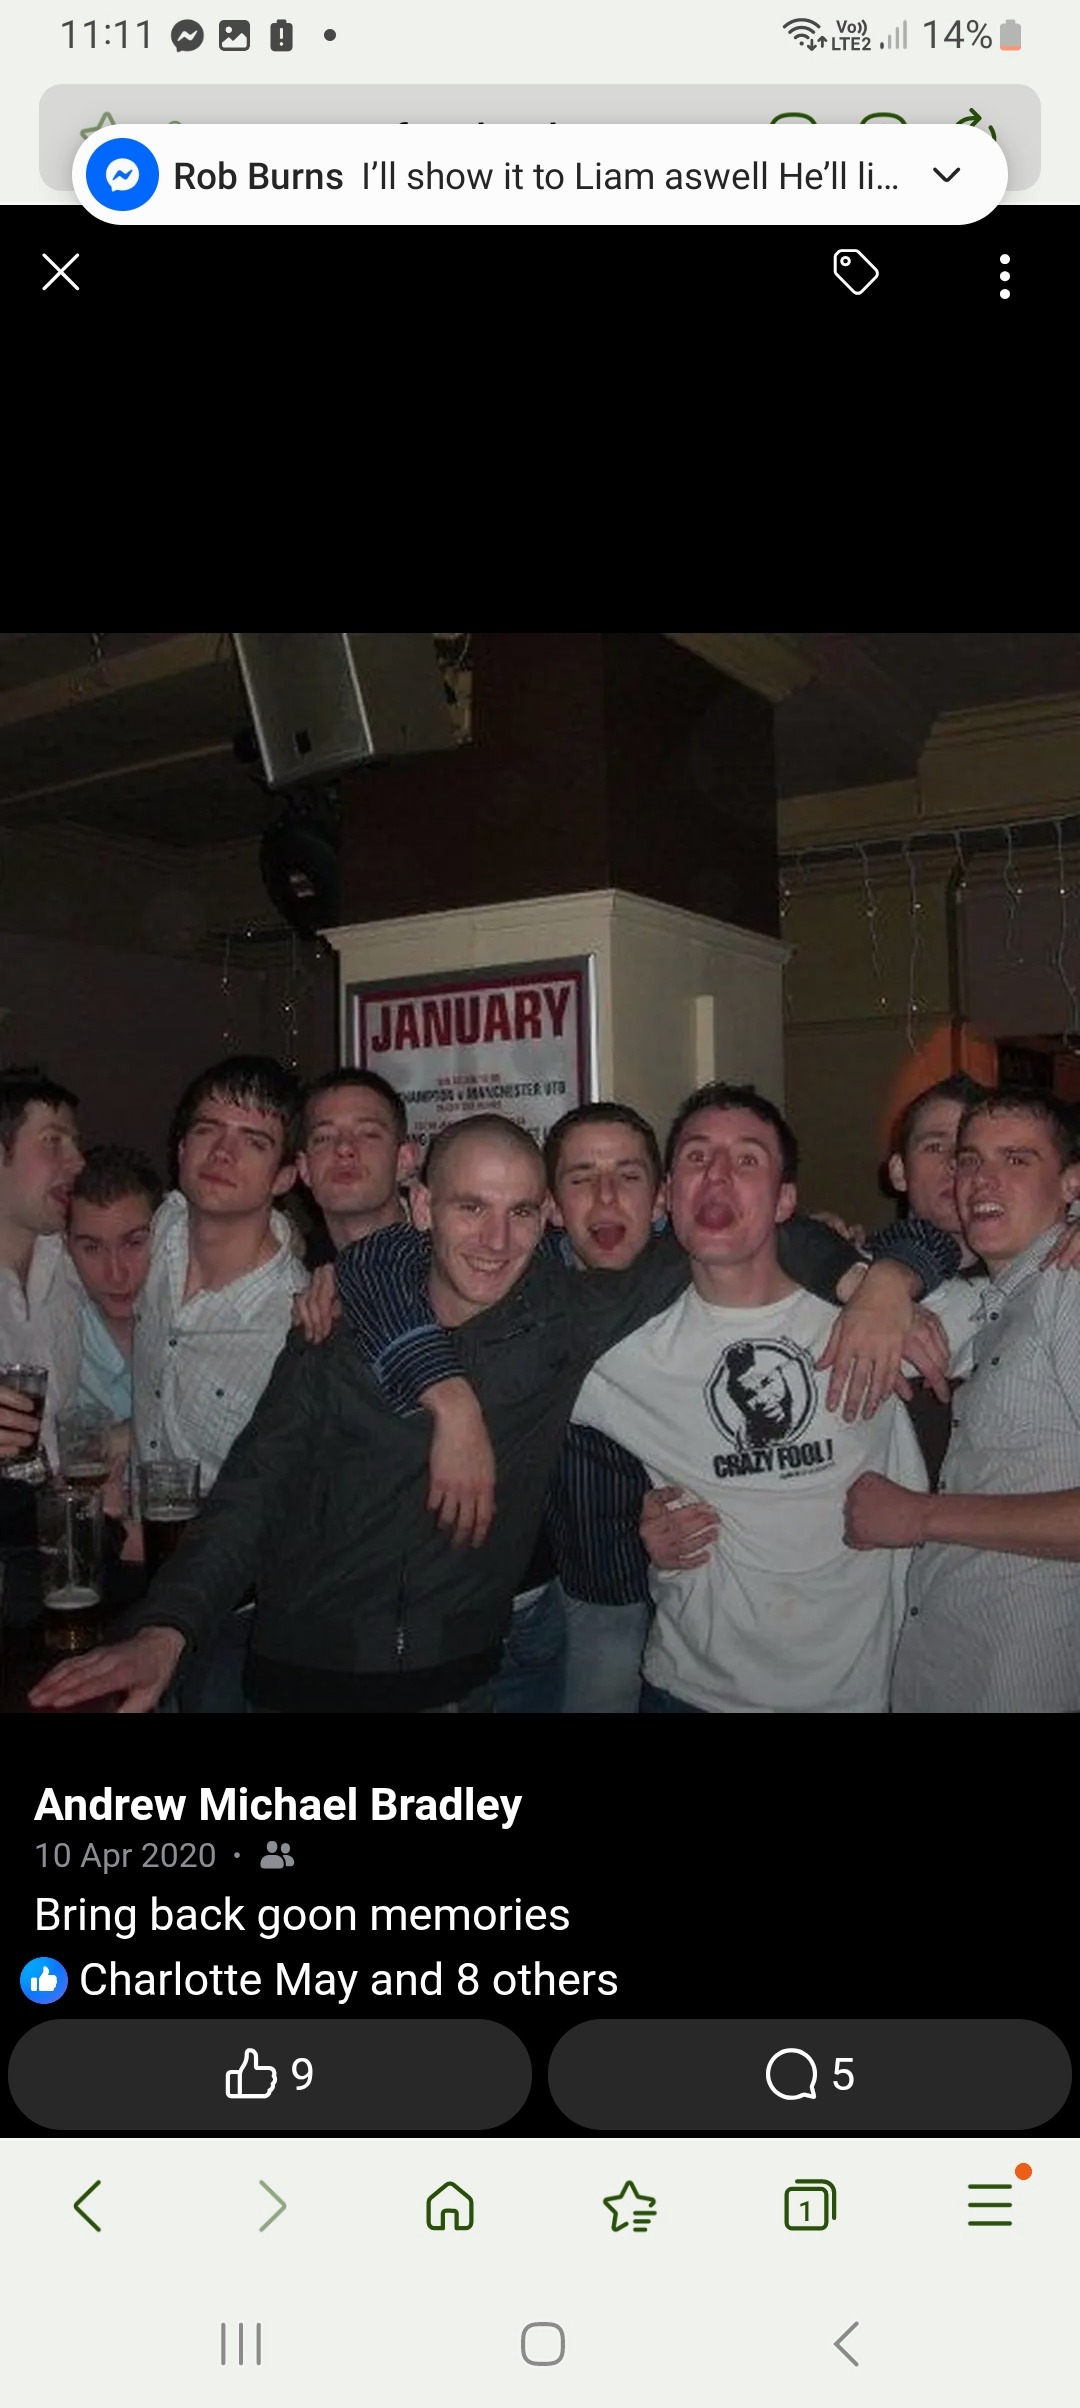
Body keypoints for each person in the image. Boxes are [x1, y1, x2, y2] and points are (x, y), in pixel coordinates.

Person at [27, 1110, 932, 1717]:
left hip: (465, 1684)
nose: (495, 1241)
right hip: (300, 1680)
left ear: (546, 1219)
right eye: (469, 1207)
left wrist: (881, 1276)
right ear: (422, 1206)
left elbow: (748, 1231)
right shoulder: (339, 1326)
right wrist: (167, 1629)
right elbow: (251, 1492)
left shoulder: (570, 1319)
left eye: (520, 1212)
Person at [572, 1083, 933, 1713]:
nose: (717, 1175)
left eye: (746, 1159)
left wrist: (895, 1277)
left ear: (785, 1199)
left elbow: (989, 1263)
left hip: (857, 1695)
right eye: (696, 1157)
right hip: (691, 1693)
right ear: (667, 1196)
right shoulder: (619, 1352)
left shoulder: (874, 1314)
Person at [845, 1085, 1080, 1712]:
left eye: (1017, 1159)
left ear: (1071, 1182)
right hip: (948, 1661)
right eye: (969, 1159)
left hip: (1026, 1678)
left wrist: (921, 1517)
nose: (979, 1178)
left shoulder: (1069, 1286)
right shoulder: (1004, 1302)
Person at [134, 1052, 309, 1710]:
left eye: (254, 1141)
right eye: (208, 1129)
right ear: (181, 1147)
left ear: (286, 1174)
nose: (223, 1153)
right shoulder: (159, 1231)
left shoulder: (296, 1320)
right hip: (135, 1574)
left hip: (239, 1604)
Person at [0, 1066, 84, 1483]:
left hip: (54, 1511)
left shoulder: (71, 1262)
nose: (78, 1162)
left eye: (75, 1143)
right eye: (53, 1141)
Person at [66, 1145, 163, 1422]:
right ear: (66, 1245)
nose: (116, 1274)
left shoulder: (200, 1323)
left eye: (134, 1243)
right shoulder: (53, 1336)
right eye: (92, 1248)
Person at [295, 1068, 416, 1262]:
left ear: (404, 1160)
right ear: (304, 1169)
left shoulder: (450, 1261)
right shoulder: (296, 1272)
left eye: (368, 1134)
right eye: (324, 1137)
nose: (343, 1148)